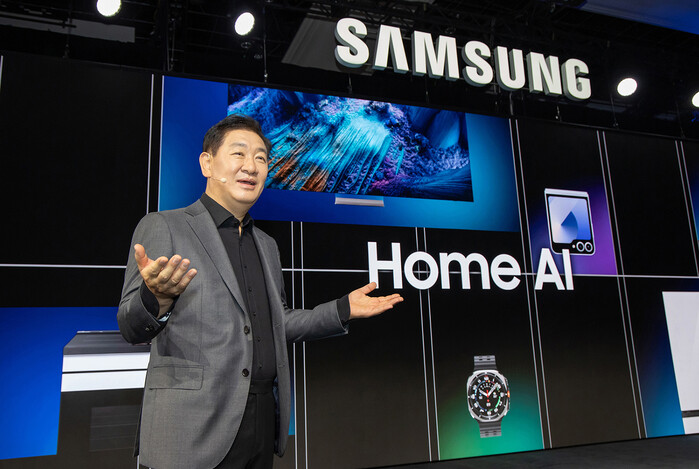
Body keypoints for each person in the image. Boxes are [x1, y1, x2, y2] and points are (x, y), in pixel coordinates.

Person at [117, 114, 403, 469]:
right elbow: (129, 327)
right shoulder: (165, 226)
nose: (251, 166)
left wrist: (342, 309)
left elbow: (277, 323)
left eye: (261, 158)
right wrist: (155, 298)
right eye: (238, 153)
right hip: (190, 429)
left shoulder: (266, 244)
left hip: (261, 421)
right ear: (207, 163)